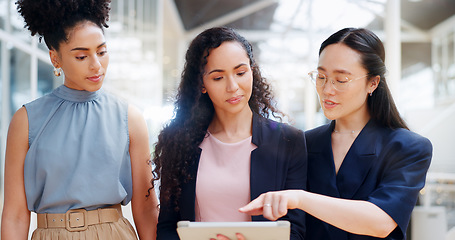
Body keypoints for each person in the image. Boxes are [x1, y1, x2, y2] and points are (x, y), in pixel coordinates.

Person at [240, 27, 432, 240]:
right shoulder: (305, 143)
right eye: (321, 76)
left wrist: (301, 199)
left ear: (373, 83)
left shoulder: (407, 147)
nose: (327, 89)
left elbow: (382, 222)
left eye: (341, 80)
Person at [1, 0, 158, 239]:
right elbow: (15, 215)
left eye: (102, 52)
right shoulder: (26, 120)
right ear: (56, 59)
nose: (97, 65)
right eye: (82, 56)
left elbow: (146, 209)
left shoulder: (130, 118)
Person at [152, 26, 307, 240]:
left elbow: (296, 230)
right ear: (202, 84)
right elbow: (168, 227)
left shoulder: (289, 141)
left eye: (240, 72)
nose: (233, 86)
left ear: (252, 70)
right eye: (218, 78)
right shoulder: (178, 143)